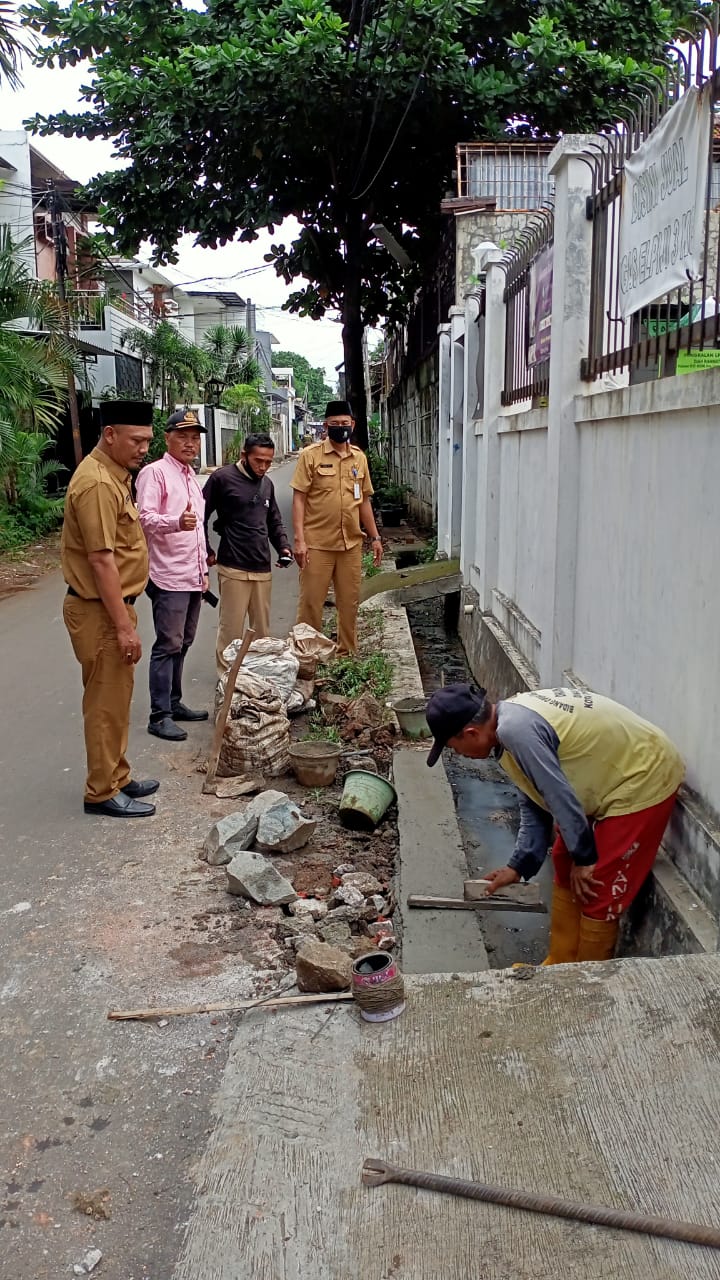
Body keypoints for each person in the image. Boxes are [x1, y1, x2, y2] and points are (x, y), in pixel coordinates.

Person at [425, 683, 685, 963]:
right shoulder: (505, 726)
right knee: (563, 857)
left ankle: (588, 979)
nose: (458, 754)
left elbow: (557, 794)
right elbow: (536, 800)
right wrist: (518, 866)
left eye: (453, 747)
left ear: (471, 733)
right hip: (609, 773)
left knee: (597, 883)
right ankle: (560, 962)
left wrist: (585, 859)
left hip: (643, 774)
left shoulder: (517, 731)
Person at [61, 400, 158, 818]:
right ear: (110, 435)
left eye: (148, 440)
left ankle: (116, 774)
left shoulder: (115, 476)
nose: (144, 449)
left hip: (111, 608)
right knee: (105, 702)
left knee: (117, 699)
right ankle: (101, 791)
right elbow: (101, 560)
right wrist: (123, 627)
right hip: (100, 611)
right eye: (136, 440)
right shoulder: (98, 483)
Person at [135, 408, 209, 742]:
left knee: (184, 641)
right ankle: (159, 714)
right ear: (167, 438)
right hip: (167, 575)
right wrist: (175, 522)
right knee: (168, 644)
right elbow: (143, 518)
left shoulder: (191, 476)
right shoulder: (155, 473)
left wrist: (203, 570)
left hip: (191, 575)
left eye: (195, 438)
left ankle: (174, 703)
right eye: (183, 437)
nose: (190, 443)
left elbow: (199, 531)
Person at [290, 400, 382, 656]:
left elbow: (364, 501)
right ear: (326, 426)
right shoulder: (311, 456)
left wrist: (375, 537)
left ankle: (346, 654)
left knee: (349, 602)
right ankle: (308, 657)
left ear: (352, 424)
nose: (340, 428)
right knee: (311, 603)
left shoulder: (359, 458)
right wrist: (299, 539)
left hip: (350, 544)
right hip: (317, 544)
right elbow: (299, 499)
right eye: (334, 424)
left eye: (344, 423)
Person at [202, 432, 293, 674]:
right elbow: (201, 515)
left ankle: (258, 677)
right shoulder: (222, 478)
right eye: (258, 461)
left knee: (262, 632)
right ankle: (227, 679)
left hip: (262, 567)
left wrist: (283, 548)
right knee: (231, 629)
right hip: (233, 566)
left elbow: (273, 521)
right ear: (244, 455)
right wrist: (206, 549)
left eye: (268, 462)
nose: (263, 467)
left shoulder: (267, 484)